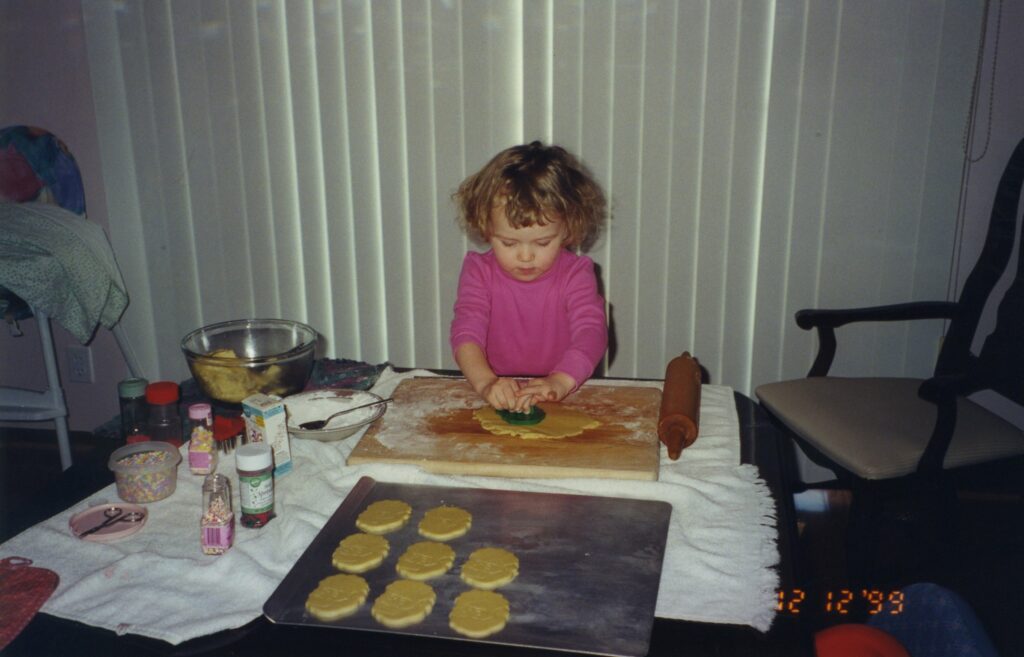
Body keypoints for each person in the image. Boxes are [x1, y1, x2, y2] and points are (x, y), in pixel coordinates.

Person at [450, 141, 608, 412]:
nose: (525, 257)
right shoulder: (479, 271)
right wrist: (486, 382)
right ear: (486, 228)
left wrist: (561, 380)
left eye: (543, 243)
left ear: (568, 229)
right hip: (496, 386)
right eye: (509, 243)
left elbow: (591, 332)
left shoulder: (576, 274)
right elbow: (466, 331)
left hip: (566, 386)